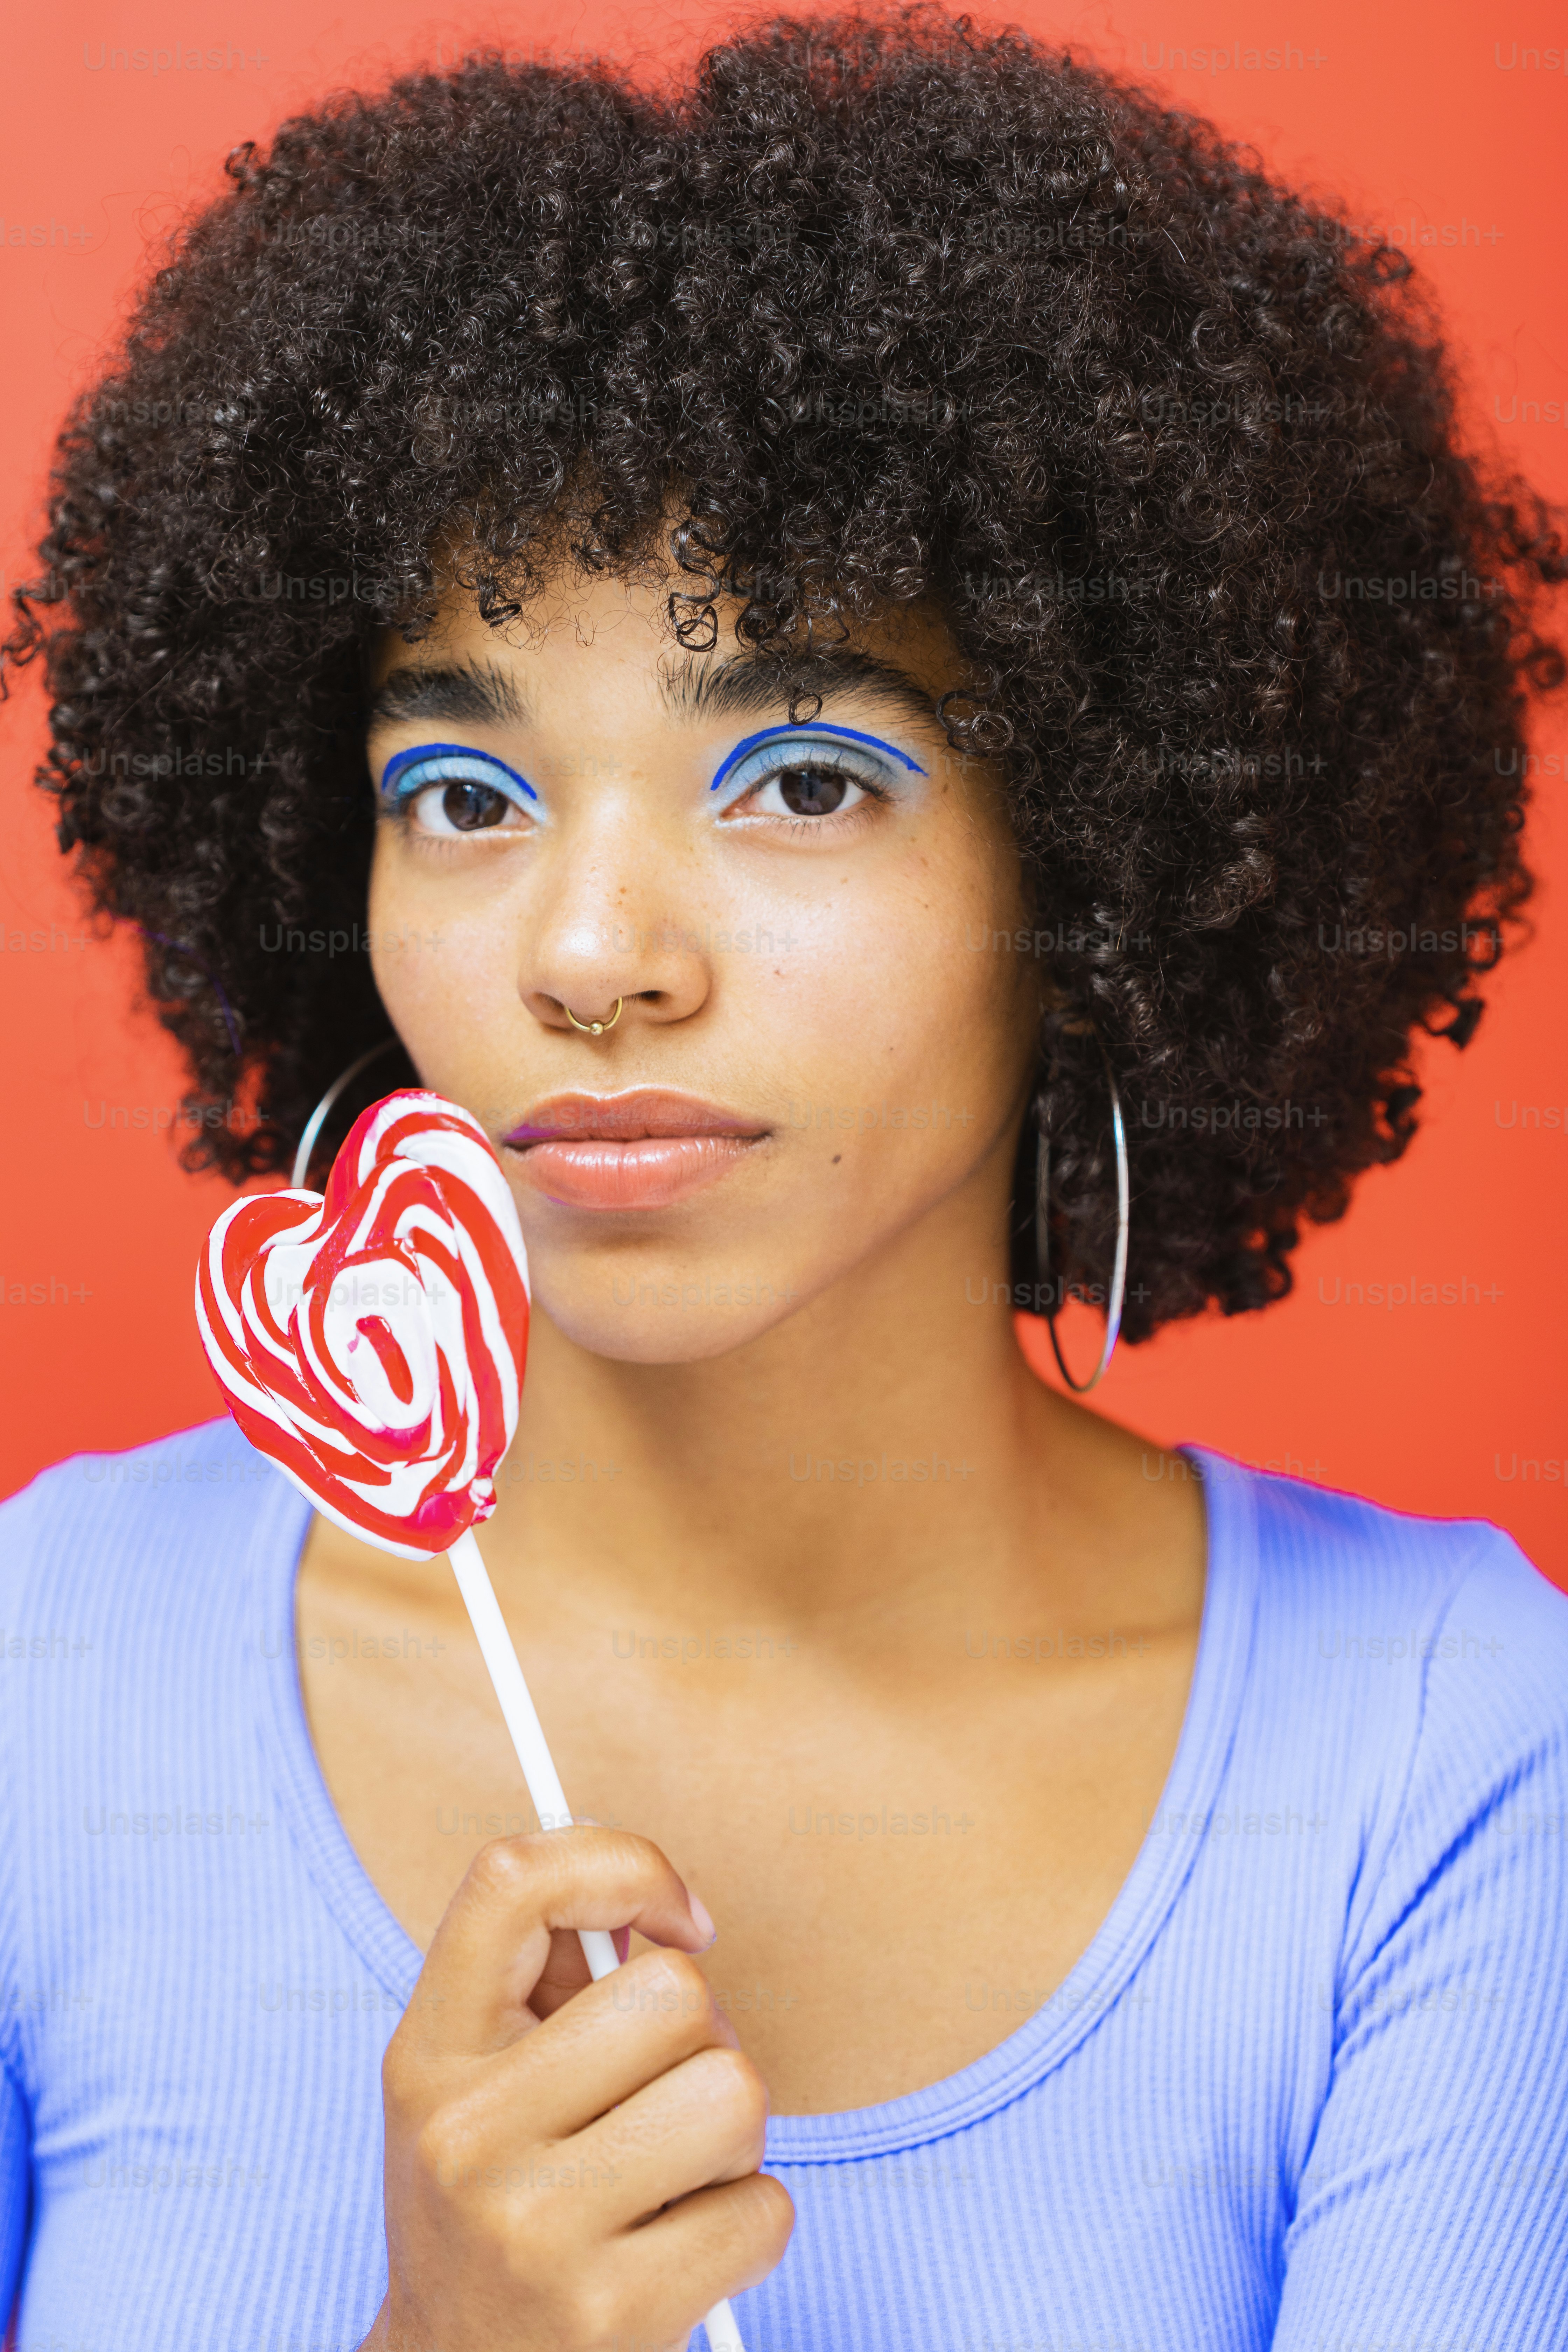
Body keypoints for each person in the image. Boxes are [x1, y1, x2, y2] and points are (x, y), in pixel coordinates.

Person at [3, 9, 1566, 2348]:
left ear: (1113, 863)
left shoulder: (1456, 1761)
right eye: (465, 795)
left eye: (806, 776)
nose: (594, 954)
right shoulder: (47, 1675)